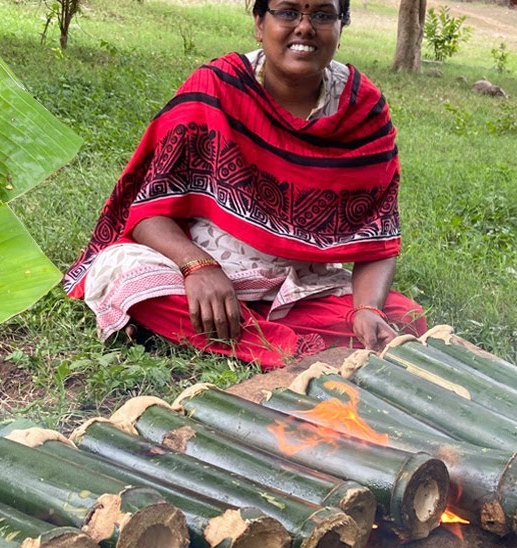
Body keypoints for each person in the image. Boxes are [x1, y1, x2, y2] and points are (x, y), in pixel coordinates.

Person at [62, 0, 427, 369]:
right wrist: (199, 267)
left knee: (403, 314)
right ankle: (293, 346)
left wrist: (366, 310)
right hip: (197, 270)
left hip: (299, 283)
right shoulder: (215, 87)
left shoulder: (362, 110)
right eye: (287, 12)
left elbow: (377, 238)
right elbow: (147, 212)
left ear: (341, 26)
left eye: (322, 14)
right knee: (130, 278)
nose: (304, 27)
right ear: (259, 22)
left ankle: (241, 334)